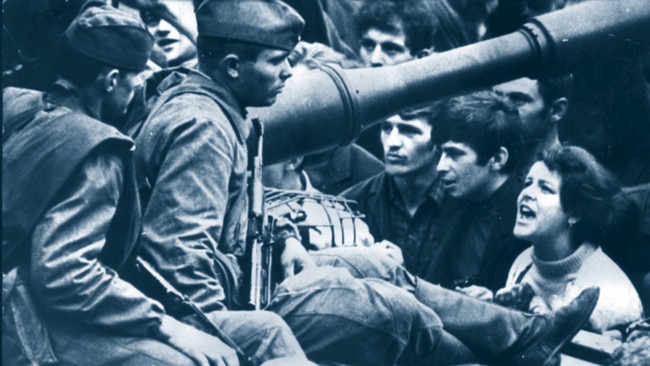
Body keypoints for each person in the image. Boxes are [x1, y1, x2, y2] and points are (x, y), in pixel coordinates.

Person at [131, 1, 605, 364]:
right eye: (278, 61)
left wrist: (283, 240)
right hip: (235, 303)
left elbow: (235, 210)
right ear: (233, 66)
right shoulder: (203, 127)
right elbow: (177, 255)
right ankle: (511, 355)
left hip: (254, 271)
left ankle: (523, 335)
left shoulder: (220, 108)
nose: (288, 73)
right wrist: (234, 331)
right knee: (393, 313)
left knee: (383, 269)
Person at [3, 3, 272, 365]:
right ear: (112, 80)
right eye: (136, 74)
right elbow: (65, 275)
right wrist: (166, 326)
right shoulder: (98, 152)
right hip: (36, 320)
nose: (143, 81)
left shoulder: (18, 105)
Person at [499, 146, 644, 334]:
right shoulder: (524, 261)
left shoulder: (608, 292)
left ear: (575, 212)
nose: (527, 193)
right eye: (528, 183)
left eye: (545, 188)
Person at [342, 103, 446, 273]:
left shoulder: (466, 199)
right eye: (386, 128)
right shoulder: (351, 203)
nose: (392, 143)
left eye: (409, 131)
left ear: (439, 142)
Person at [288, 41, 384, 195]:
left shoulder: (370, 175)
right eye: (288, 93)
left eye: (306, 96)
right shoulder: (270, 159)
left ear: (334, 101)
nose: (292, 105)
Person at [353, 0, 438, 159]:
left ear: (421, 57)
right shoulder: (349, 101)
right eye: (368, 45)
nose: (375, 59)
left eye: (391, 49)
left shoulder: (439, 109)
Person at [493, 75, 572, 175]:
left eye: (517, 100)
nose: (500, 110)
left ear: (556, 110)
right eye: (496, 97)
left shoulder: (568, 179)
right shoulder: (478, 165)